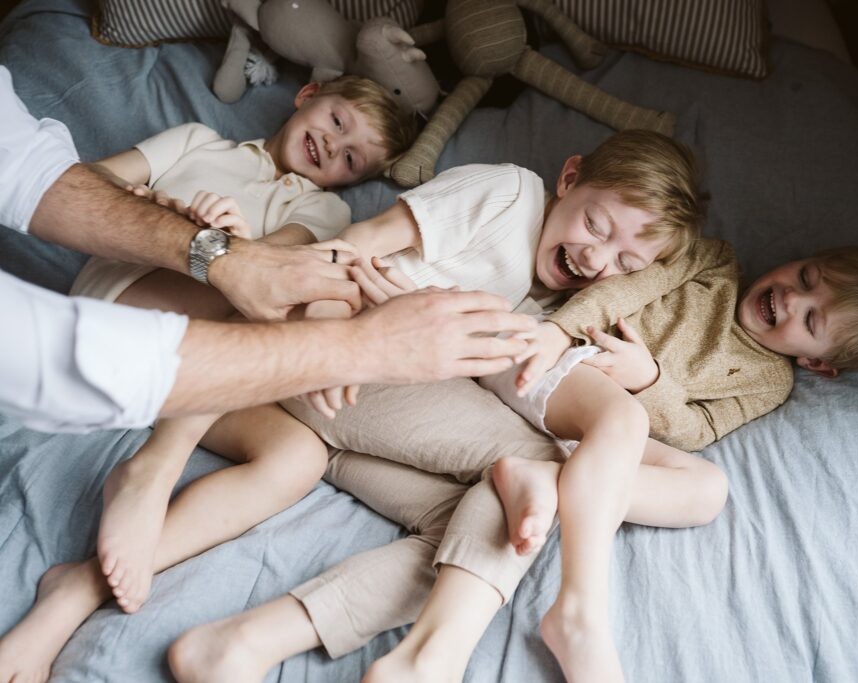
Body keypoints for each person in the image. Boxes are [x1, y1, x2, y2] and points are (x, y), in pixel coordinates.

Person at [166, 240, 858, 683]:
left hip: (556, 425)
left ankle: (239, 644)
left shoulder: (769, 381)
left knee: (704, 489)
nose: (790, 298)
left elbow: (688, 430)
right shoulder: (712, 261)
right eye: (806, 277)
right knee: (572, 454)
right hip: (539, 369)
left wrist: (653, 378)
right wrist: (567, 337)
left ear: (820, 368)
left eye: (812, 320)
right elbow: (625, 286)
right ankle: (564, 612)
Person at [159, 130, 711, 682]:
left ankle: (240, 644)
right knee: (538, 470)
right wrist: (328, 346)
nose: (596, 258)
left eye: (625, 262)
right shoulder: (510, 194)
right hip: (337, 350)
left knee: (484, 525)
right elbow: (356, 241)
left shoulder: (551, 301)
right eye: (595, 226)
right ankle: (440, 661)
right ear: (568, 179)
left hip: (344, 410)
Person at [0, 66, 533, 433]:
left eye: (350, 160)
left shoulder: (328, 211)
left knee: (294, 456)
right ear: (308, 94)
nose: (331, 145)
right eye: (337, 122)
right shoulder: (197, 140)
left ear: (352, 182)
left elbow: (275, 264)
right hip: (124, 287)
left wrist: (236, 241)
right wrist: (148, 199)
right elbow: (86, 181)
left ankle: (153, 469)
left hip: (207, 338)